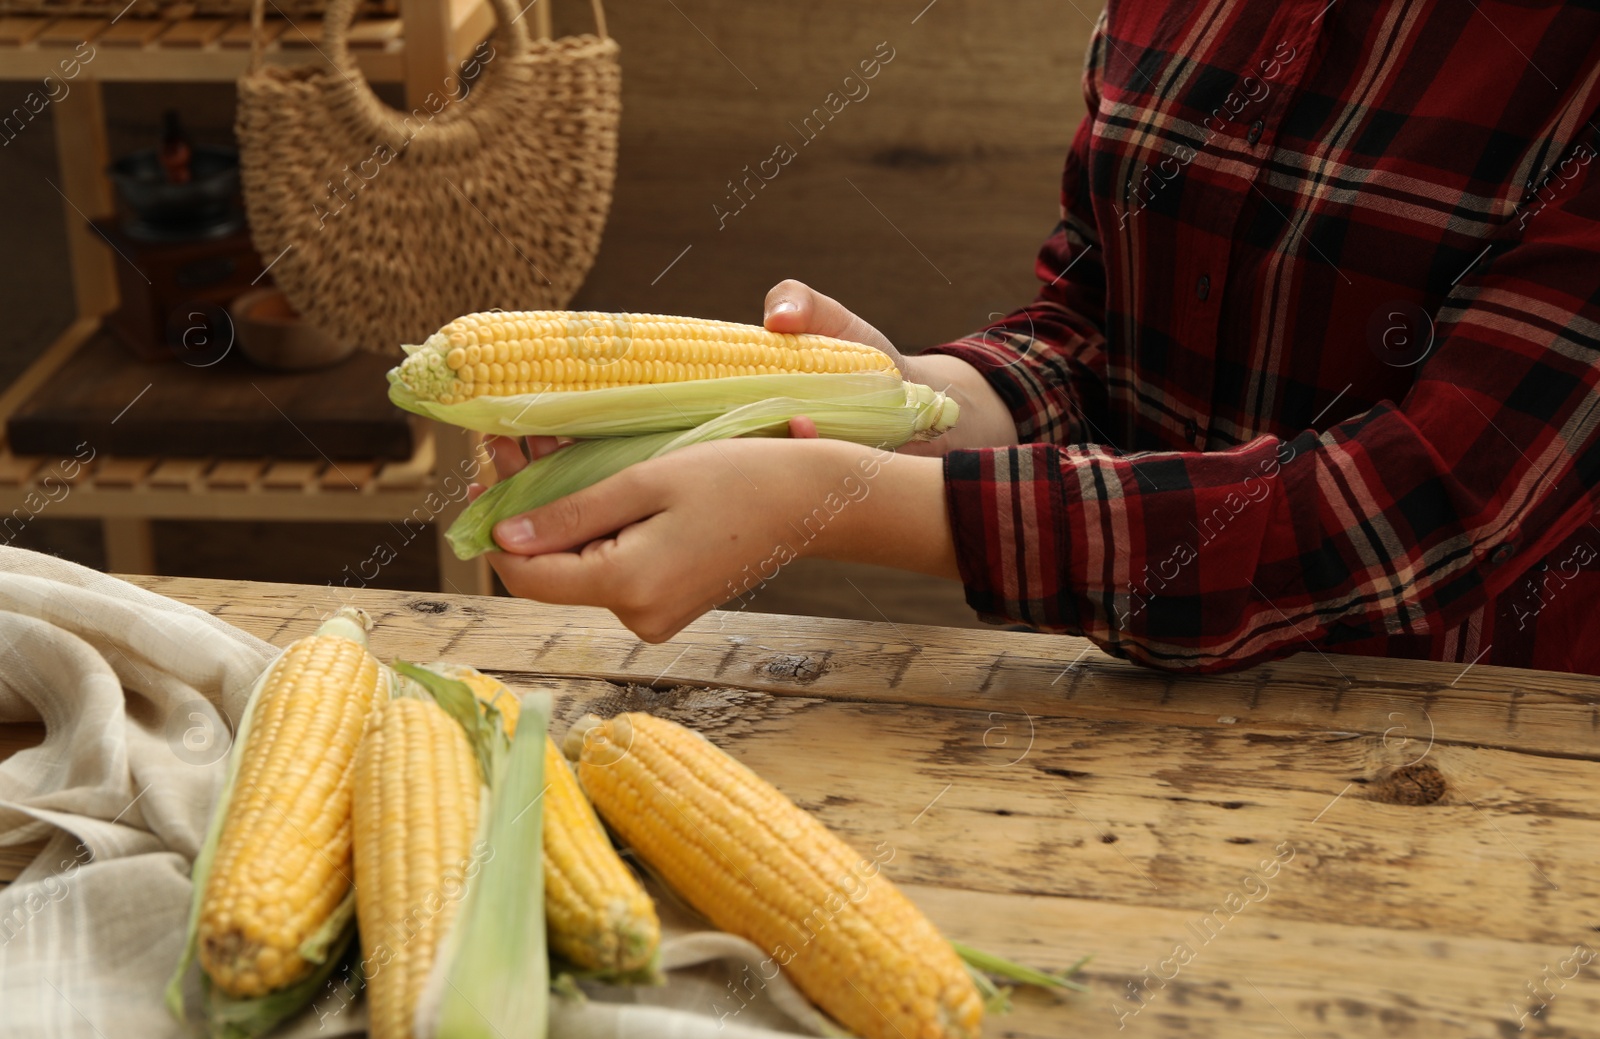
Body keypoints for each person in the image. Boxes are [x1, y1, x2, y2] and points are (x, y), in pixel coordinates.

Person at [474, 2, 1600, 675]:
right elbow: (1095, 321)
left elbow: (1427, 507)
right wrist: (916, 401)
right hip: (1124, 722)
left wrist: (850, 503)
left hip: (1470, 761)